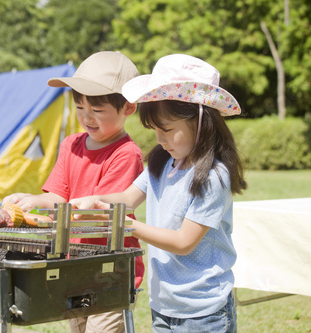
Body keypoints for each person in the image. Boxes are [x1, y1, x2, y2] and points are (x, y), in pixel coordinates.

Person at [70, 54, 247, 333]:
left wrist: (128, 226)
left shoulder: (213, 177)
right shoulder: (162, 162)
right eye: (155, 130)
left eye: (167, 130)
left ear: (200, 122)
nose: (160, 140)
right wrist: (96, 200)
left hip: (204, 311)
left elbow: (183, 242)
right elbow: (128, 198)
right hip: (164, 305)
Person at [3, 51, 145, 333]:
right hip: (73, 264)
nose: (87, 118)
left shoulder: (126, 154)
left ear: (128, 107)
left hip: (109, 269)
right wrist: (31, 200)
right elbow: (57, 196)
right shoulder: (71, 145)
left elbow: (100, 216)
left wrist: (51, 213)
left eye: (98, 110)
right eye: (80, 107)